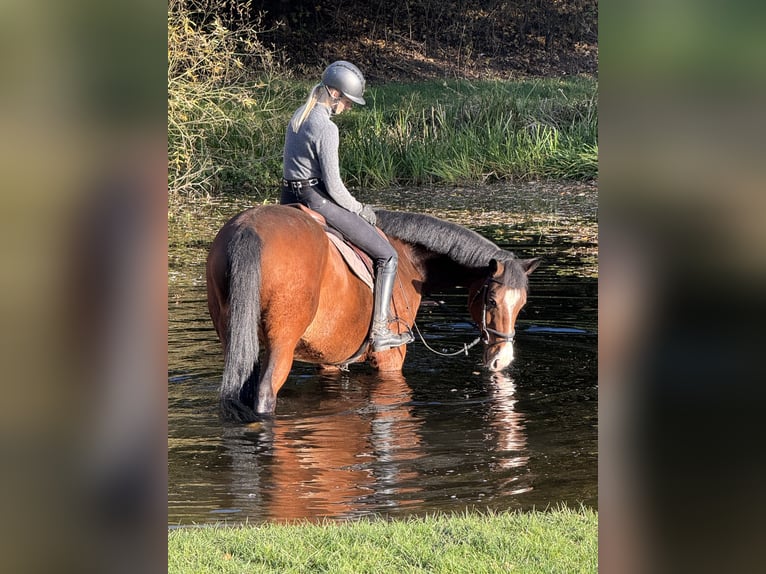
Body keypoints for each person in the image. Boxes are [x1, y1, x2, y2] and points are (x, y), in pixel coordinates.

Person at [280, 60, 413, 352]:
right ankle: (379, 331)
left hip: (287, 199)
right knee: (388, 255)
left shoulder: (298, 116)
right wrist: (361, 209)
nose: (349, 108)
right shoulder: (326, 128)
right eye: (348, 101)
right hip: (315, 198)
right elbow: (336, 188)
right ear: (334, 93)